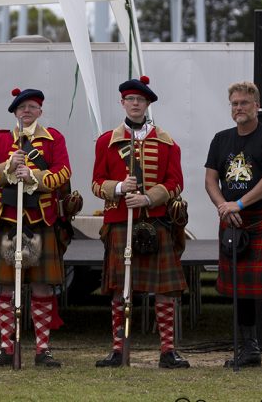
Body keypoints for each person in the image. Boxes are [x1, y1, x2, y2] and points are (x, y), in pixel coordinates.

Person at [92, 76, 190, 369]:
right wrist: (120, 189)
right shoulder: (106, 141)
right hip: (121, 222)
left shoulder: (167, 142)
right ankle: (119, 349)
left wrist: (148, 198)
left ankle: (167, 351)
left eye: (140, 100)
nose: (135, 104)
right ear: (122, 103)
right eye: (130, 99)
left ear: (147, 104)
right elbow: (96, 184)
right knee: (120, 290)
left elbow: (176, 183)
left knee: (164, 290)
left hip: (157, 222)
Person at [0, 88, 70, 368]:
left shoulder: (54, 139)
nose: (26, 111)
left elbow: (63, 173)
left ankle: (42, 349)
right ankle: (7, 348)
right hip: (8, 220)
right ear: (15, 112)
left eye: (32, 107)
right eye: (21, 107)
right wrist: (7, 167)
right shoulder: (0, 139)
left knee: (41, 287)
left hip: (39, 221)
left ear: (40, 111)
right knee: (5, 288)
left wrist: (33, 175)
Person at [204, 81, 262, 373]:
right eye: (234, 103)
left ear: (256, 105)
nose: (238, 108)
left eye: (244, 103)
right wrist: (224, 207)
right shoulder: (221, 139)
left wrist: (238, 204)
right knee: (240, 288)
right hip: (233, 221)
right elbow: (210, 180)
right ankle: (249, 349)